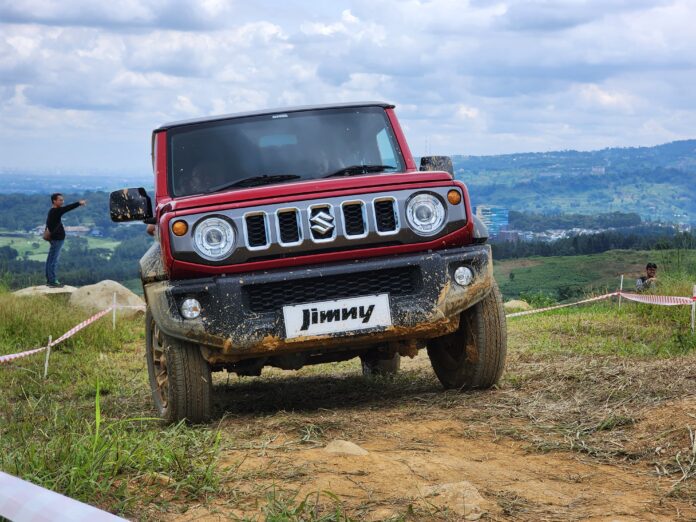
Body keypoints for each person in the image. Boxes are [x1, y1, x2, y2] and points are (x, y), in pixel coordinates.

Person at [45, 193, 86, 287]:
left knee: (50, 260)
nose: (62, 202)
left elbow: (48, 224)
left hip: (55, 239)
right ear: (54, 201)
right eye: (60, 200)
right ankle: (52, 281)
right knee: (53, 261)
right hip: (57, 239)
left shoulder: (51, 211)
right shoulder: (56, 211)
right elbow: (68, 208)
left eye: (62, 200)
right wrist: (79, 203)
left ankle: (49, 279)